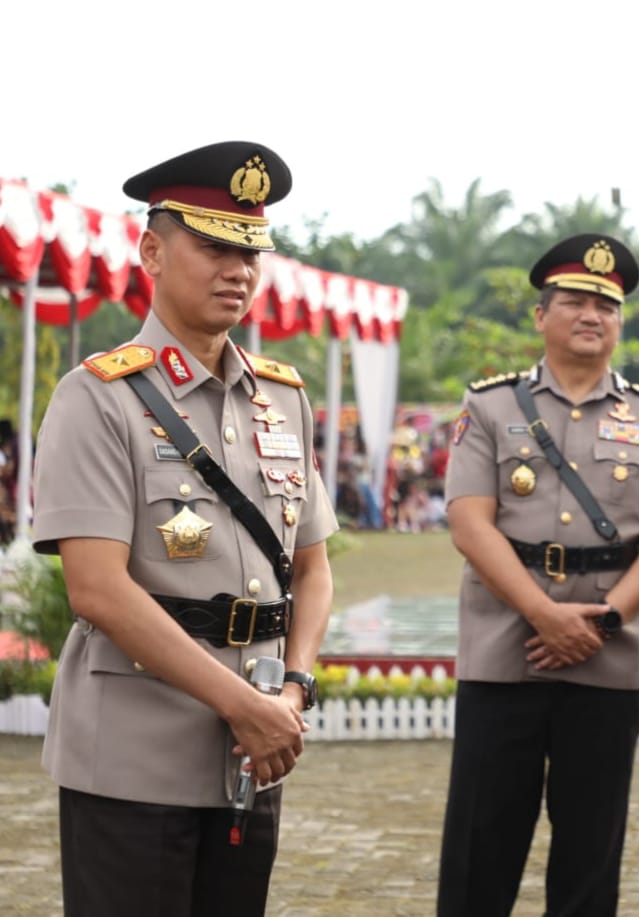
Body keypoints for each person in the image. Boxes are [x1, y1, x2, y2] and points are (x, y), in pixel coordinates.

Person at [29, 141, 337, 916]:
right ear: (153, 251)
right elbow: (98, 590)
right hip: (136, 750)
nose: (239, 269)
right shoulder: (98, 399)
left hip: (250, 749)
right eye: (214, 245)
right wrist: (245, 704)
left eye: (251, 251)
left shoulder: (280, 399)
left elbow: (313, 566)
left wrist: (292, 687)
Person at [438, 233, 639, 916]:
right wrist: (545, 614)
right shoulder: (491, 406)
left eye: (607, 306)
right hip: (504, 650)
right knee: (479, 845)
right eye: (577, 301)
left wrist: (603, 620)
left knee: (590, 849)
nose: (593, 316)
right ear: (541, 316)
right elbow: (469, 522)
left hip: (606, 660)